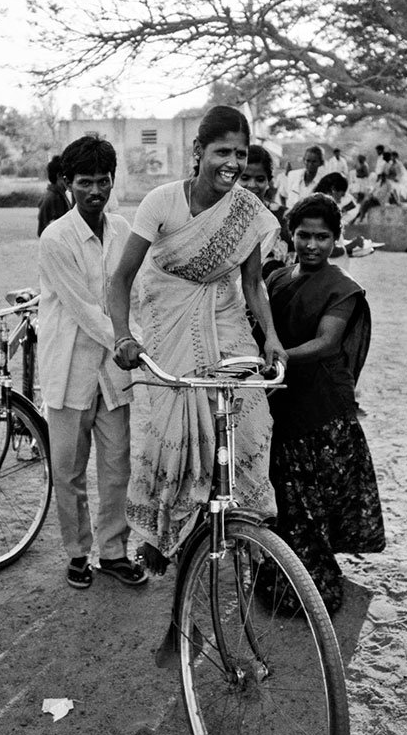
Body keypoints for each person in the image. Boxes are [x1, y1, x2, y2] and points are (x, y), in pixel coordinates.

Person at [109, 106, 287, 573]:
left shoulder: (246, 210)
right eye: (221, 151)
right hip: (168, 323)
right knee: (178, 430)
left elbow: (253, 285)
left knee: (248, 414)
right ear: (198, 152)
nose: (232, 162)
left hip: (227, 319)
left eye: (240, 152)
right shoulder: (161, 202)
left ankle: (245, 528)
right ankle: (168, 533)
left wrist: (271, 338)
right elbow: (120, 279)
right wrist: (124, 336)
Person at [262, 193, 385, 613]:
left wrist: (276, 358)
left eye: (323, 237)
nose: (312, 245)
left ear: (337, 238)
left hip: (320, 408)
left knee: (311, 503)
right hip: (279, 401)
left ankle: (312, 590)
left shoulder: (343, 287)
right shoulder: (276, 279)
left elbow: (326, 341)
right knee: (283, 497)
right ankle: (280, 571)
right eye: (303, 235)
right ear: (290, 235)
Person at [37, 136, 147, 590]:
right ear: (68, 183)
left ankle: (115, 551)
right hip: (69, 366)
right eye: (85, 182)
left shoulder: (122, 230)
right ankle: (78, 552)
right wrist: (126, 339)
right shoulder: (56, 237)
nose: (95, 191)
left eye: (103, 181)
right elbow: (83, 308)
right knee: (69, 469)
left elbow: (133, 293)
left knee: (118, 464)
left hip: (114, 370)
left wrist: (135, 339)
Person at [239, 144, 293, 274]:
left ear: (269, 181)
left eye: (260, 179)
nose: (252, 185)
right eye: (245, 178)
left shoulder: (285, 217)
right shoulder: (220, 217)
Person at [36, 155, 70, 236]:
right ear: (59, 176)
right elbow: (42, 230)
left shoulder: (61, 195)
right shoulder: (51, 198)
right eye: (68, 176)